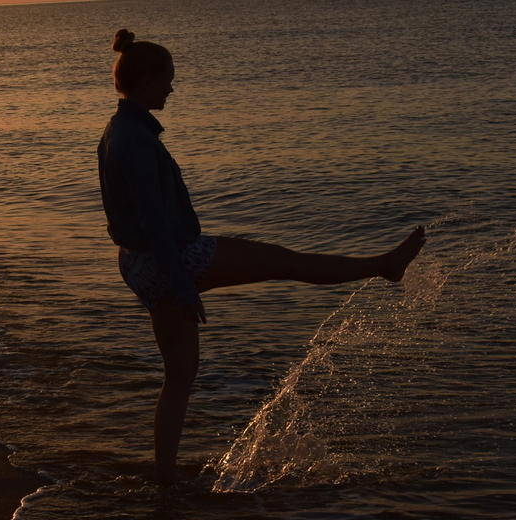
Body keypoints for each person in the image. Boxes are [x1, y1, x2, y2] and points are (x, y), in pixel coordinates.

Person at [97, 29, 426, 485]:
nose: (173, 88)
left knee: (180, 376)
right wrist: (184, 286)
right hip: (172, 259)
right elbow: (154, 224)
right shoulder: (135, 140)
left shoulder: (118, 128)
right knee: (282, 261)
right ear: (149, 81)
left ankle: (166, 481)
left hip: (138, 262)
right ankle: (382, 266)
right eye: (169, 80)